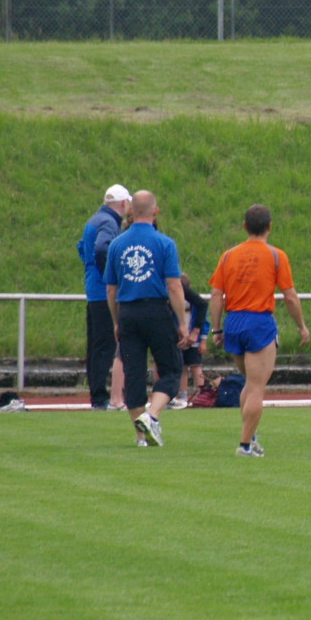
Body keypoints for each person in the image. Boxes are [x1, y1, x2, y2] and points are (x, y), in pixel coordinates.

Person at [207, 203, 310, 456]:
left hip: (234, 322)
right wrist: (301, 326)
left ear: (245, 226)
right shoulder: (276, 256)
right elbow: (290, 297)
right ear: (270, 227)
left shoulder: (229, 255)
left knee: (249, 383)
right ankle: (245, 445)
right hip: (258, 322)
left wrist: (217, 329)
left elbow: (216, 295)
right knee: (256, 387)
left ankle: (250, 437)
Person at [103, 189, 189, 448]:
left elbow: (111, 289)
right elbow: (174, 286)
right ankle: (152, 416)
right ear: (155, 211)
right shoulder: (164, 243)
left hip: (128, 313)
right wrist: (182, 322)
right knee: (172, 369)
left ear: (131, 211)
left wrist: (116, 321)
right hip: (156, 311)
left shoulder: (117, 244)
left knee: (134, 374)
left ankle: (141, 437)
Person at [78, 183, 130, 409]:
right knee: (105, 345)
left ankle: (96, 392)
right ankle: (99, 396)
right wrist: (111, 273)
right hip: (102, 291)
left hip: (93, 288)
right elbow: (101, 248)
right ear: (123, 203)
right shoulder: (109, 222)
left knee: (95, 344)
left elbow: (82, 247)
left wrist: (90, 267)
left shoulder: (95, 219)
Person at [171, 275, 209, 408]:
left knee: (196, 366)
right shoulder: (173, 303)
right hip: (180, 340)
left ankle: (202, 393)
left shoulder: (196, 304)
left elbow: (205, 322)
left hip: (194, 340)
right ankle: (182, 395)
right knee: (182, 367)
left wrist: (203, 340)